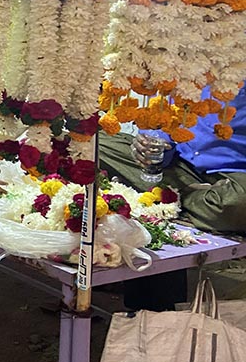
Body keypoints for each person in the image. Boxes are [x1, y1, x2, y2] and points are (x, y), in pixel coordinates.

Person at [99, 85, 246, 311]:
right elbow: (164, 122)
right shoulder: (186, 65)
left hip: (233, 176)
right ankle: (179, 202)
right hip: (181, 168)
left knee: (237, 203)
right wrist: (154, 141)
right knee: (97, 145)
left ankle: (167, 201)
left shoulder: (232, 67)